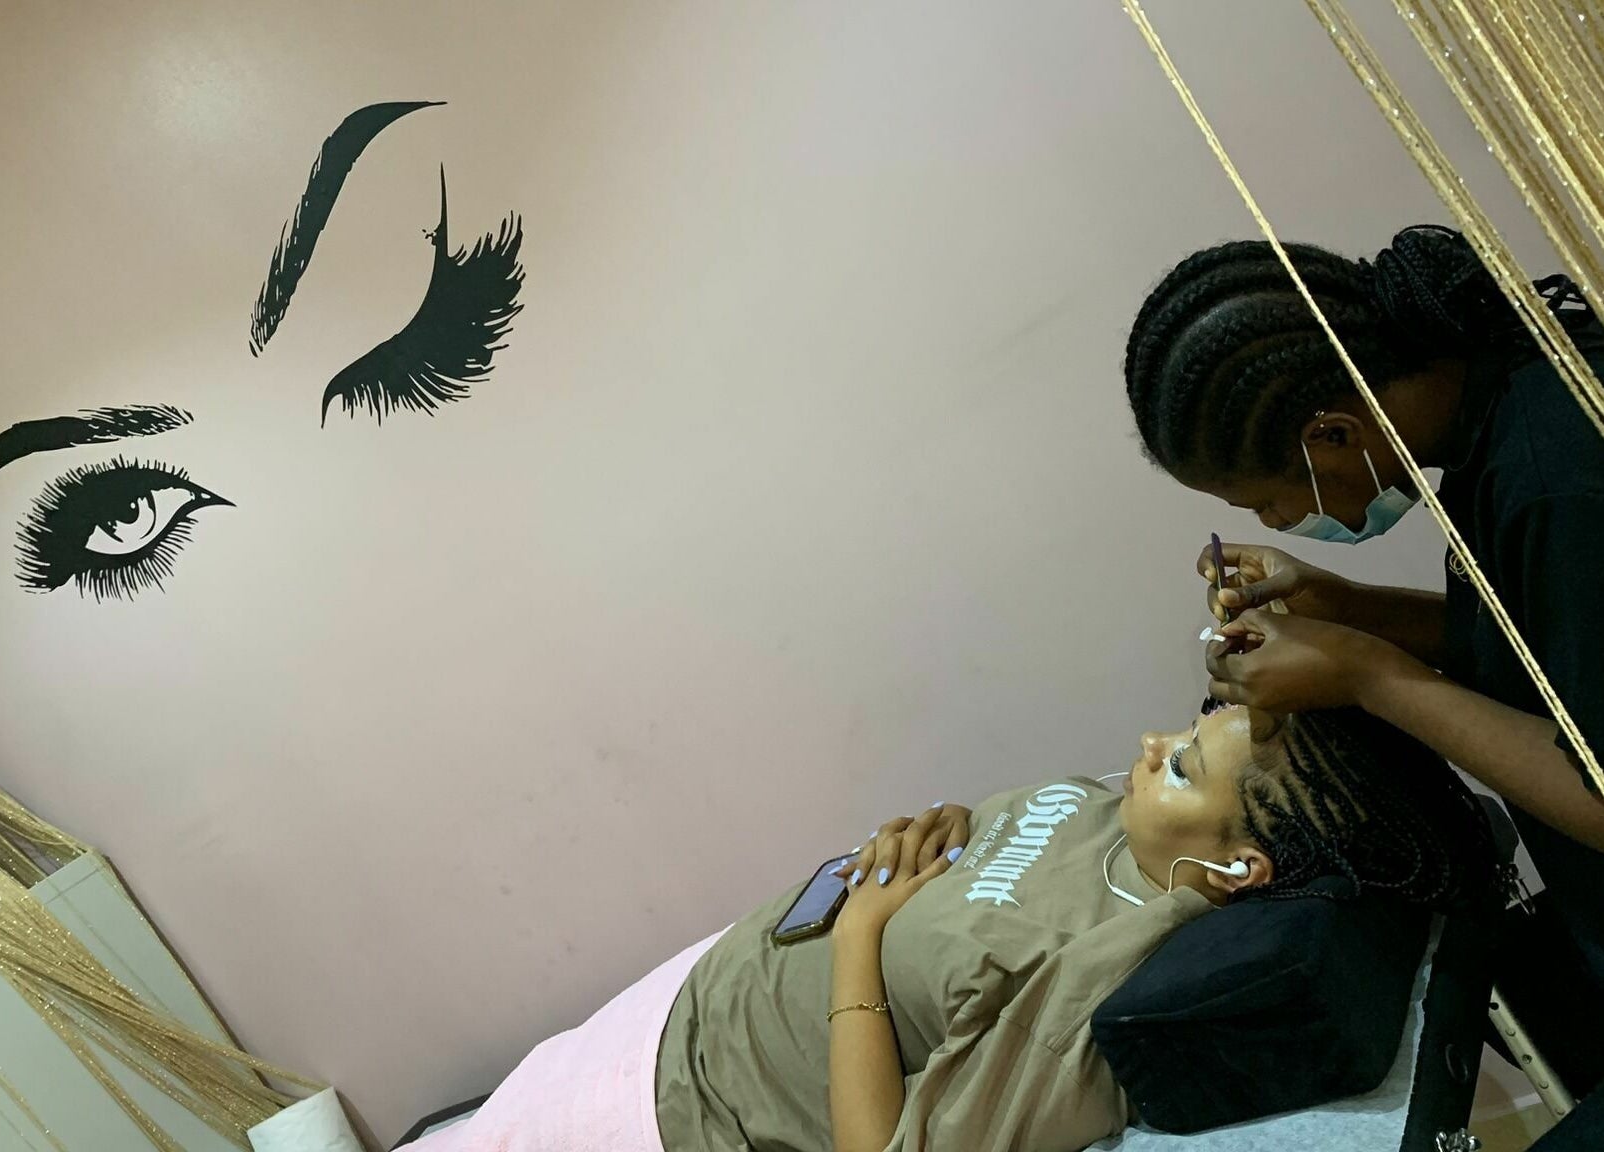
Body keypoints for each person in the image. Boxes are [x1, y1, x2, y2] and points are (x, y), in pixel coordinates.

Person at [405, 700, 1489, 1152]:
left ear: (1239, 865)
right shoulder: (1114, 814)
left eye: (1182, 765)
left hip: (681, 1107)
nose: (1152, 742)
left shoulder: (1095, 980)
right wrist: (939, 829)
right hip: (687, 998)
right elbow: (998, 869)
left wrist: (863, 938)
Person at [1123, 224, 1604, 1144]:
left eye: (1266, 500)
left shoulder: (1555, 480)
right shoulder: (1514, 405)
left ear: (1330, 434)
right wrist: (1350, 610)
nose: (1277, 522)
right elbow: (1549, 644)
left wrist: (1367, 674)